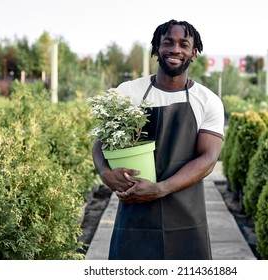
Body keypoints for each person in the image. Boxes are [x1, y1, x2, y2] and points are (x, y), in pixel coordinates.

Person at [92, 19, 225, 260]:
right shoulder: (128, 92)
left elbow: (208, 158)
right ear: (156, 48)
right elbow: (100, 143)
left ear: (194, 53)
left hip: (185, 215)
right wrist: (105, 173)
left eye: (184, 44)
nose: (175, 49)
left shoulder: (207, 100)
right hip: (135, 210)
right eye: (167, 43)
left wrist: (160, 189)